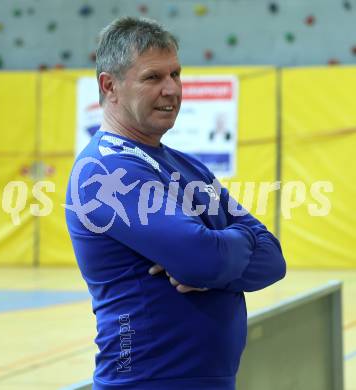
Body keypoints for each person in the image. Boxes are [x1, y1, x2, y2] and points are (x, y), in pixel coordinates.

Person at [65, 16, 286, 390]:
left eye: (176, 74)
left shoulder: (187, 165)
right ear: (109, 86)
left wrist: (223, 253)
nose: (172, 89)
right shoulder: (103, 171)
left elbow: (273, 260)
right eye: (153, 78)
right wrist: (226, 250)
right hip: (146, 381)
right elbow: (203, 259)